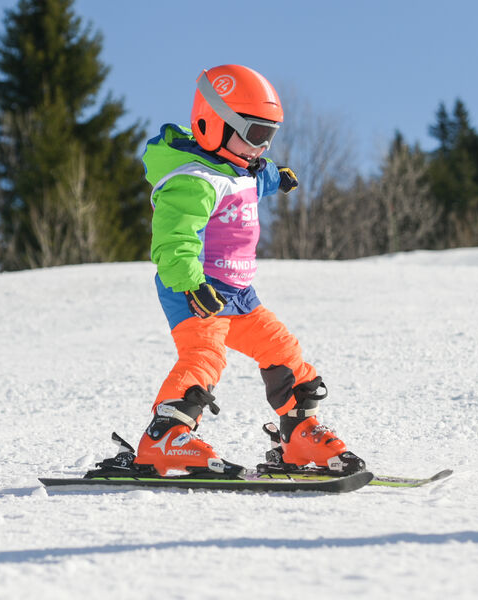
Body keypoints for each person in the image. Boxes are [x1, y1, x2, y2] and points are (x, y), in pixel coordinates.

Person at [134, 64, 364, 476]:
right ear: (213, 124)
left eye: (269, 136)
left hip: (239, 295)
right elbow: (174, 240)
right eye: (256, 134)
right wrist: (191, 283)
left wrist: (280, 177)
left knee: (283, 351)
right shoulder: (194, 179)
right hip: (196, 290)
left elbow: (259, 175)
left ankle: (298, 435)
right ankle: (165, 437)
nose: (262, 147)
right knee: (204, 355)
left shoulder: (242, 166)